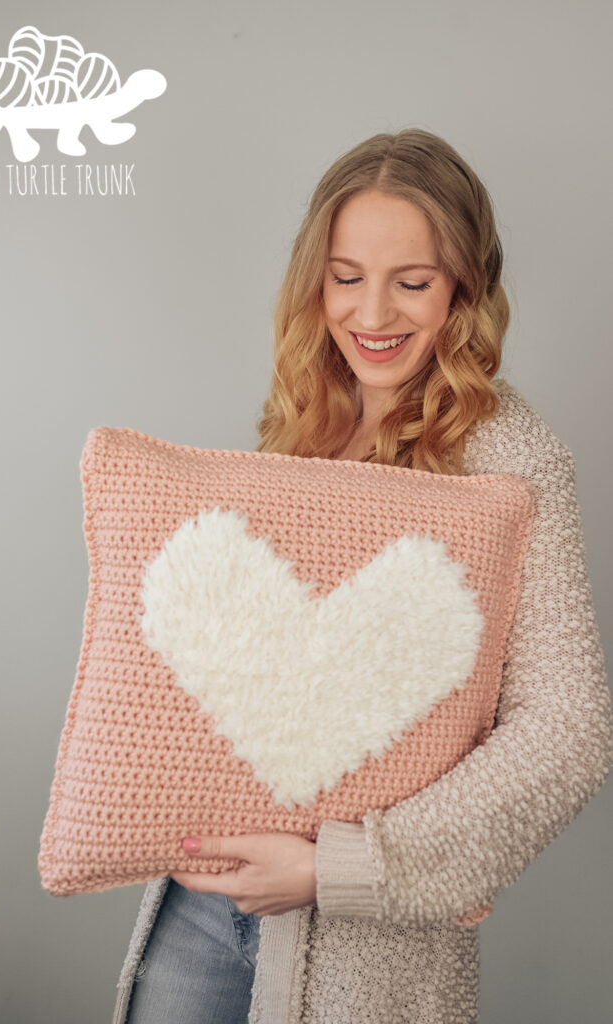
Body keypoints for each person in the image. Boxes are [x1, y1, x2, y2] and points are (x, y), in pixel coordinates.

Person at [113, 128, 612, 1024]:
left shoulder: (509, 456)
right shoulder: (301, 418)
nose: (372, 314)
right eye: (346, 277)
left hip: (362, 950)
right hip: (201, 901)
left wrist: (342, 867)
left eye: (411, 282)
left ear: (465, 285)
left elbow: (569, 729)